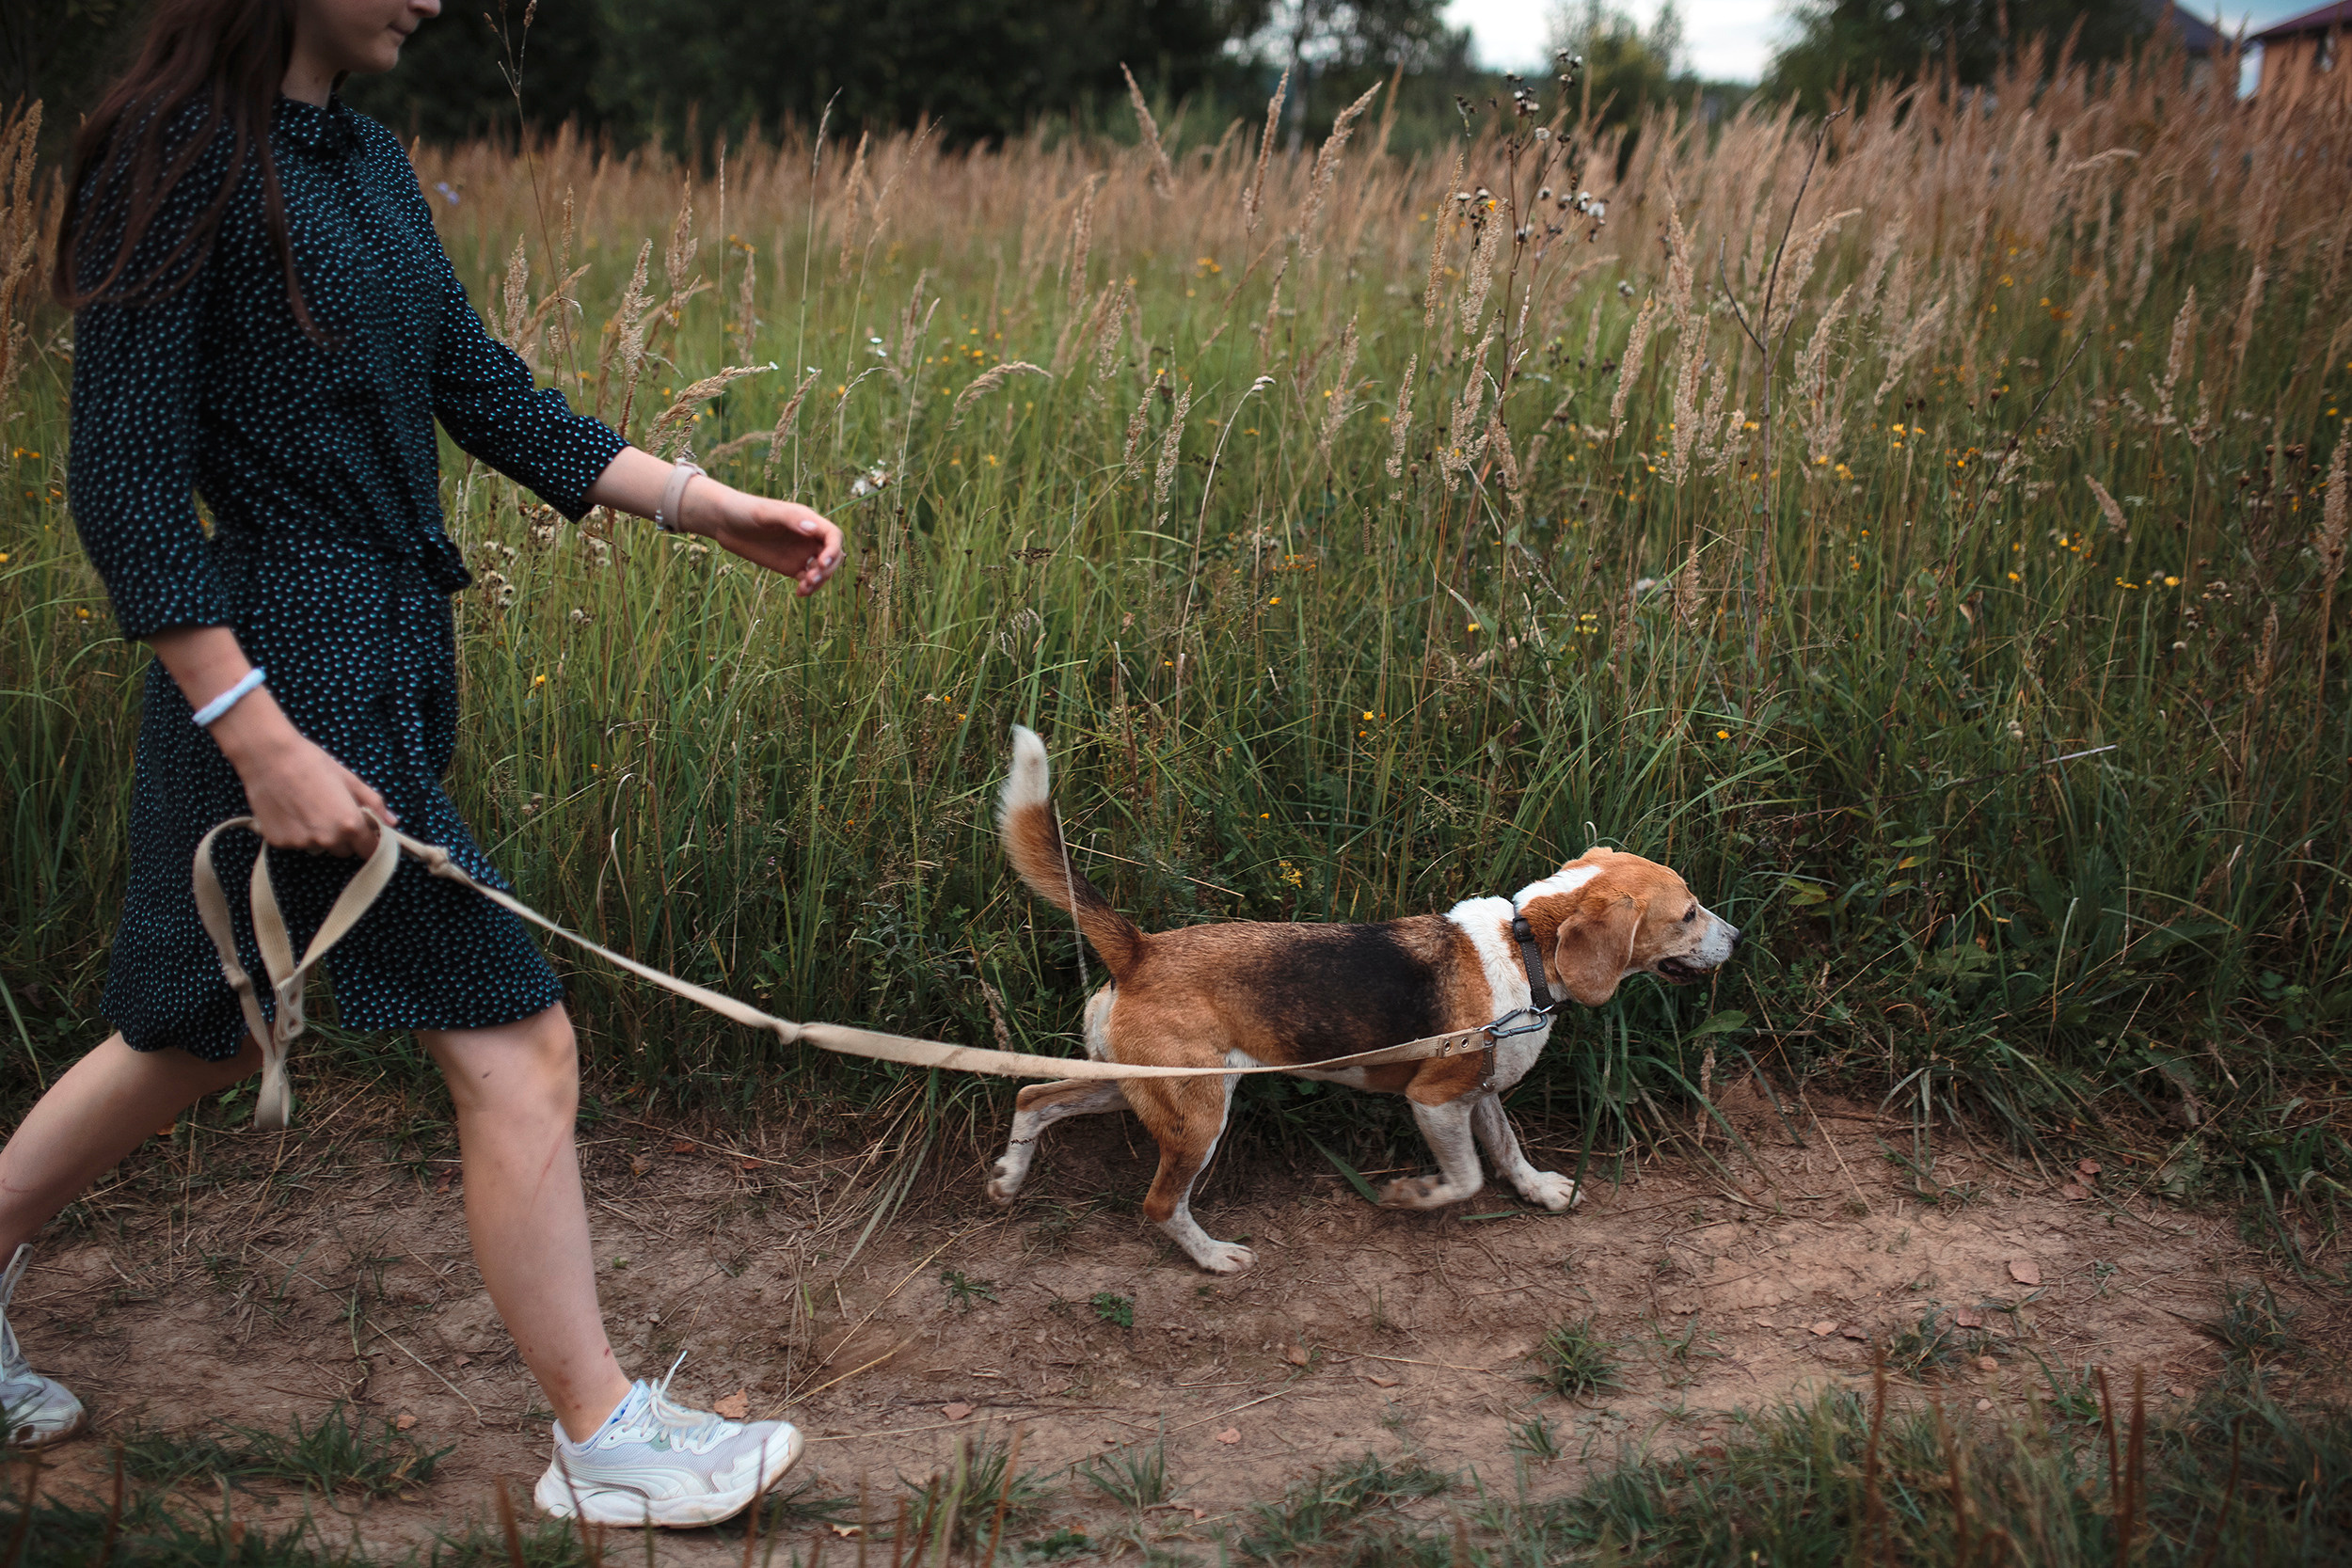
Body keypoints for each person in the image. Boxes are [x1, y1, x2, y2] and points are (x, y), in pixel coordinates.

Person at [0, 0, 844, 1529]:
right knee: (515, 1039)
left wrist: (701, 504)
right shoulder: (173, 154)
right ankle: (605, 1439)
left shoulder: (369, 162)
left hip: (382, 656)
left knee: (199, 1023)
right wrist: (256, 736)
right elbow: (121, 487)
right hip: (275, 672)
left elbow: (484, 388)